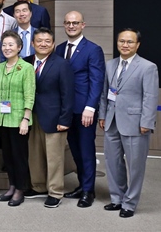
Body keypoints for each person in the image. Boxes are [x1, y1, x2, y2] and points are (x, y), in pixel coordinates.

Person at [99, 29, 159, 218]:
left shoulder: (148, 67)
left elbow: (150, 97)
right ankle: (117, 198)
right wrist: (102, 116)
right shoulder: (110, 65)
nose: (125, 45)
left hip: (136, 123)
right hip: (111, 121)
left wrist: (146, 122)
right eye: (121, 41)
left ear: (137, 45)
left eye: (129, 42)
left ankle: (130, 203)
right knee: (113, 162)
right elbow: (104, 94)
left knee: (135, 166)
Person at [56, 11, 105, 208]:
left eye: (75, 23)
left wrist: (90, 107)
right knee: (74, 150)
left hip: (84, 110)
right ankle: (81, 185)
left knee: (86, 151)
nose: (71, 26)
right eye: (68, 23)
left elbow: (96, 81)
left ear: (83, 25)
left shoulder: (93, 49)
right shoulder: (59, 49)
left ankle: (88, 191)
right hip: (66, 110)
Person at [23, 28, 74, 208]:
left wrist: (64, 120)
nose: (43, 44)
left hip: (54, 117)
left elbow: (68, 95)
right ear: (32, 43)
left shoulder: (62, 64)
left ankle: (55, 192)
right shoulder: (25, 62)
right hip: (30, 116)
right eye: (39, 41)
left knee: (54, 158)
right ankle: (38, 187)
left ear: (52, 45)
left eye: (47, 41)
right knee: (34, 155)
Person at [0, 30, 35, 207]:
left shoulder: (26, 68)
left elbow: (29, 95)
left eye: (11, 45)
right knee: (8, 156)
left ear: (19, 47)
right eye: (4, 45)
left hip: (20, 120)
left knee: (19, 156)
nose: (7, 48)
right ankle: (12, 186)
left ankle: (21, 189)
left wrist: (26, 118)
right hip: (3, 119)